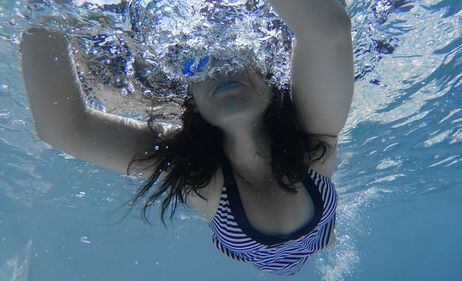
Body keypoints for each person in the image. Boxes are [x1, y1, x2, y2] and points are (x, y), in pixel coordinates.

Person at [20, 0, 353, 276]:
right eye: (285, 182)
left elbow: (64, 128)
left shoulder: (202, 181)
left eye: (197, 68)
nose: (222, 68)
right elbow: (328, 32)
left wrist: (46, 10)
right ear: (270, 79)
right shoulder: (313, 141)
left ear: (190, 100)